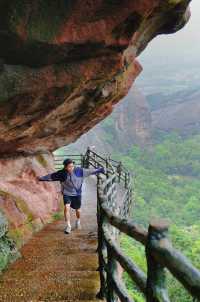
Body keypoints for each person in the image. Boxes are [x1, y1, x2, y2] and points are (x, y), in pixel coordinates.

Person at [37, 158, 105, 234]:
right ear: (65, 167)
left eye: (72, 166)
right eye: (69, 167)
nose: (71, 168)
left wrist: (100, 170)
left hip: (77, 194)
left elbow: (90, 171)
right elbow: (51, 176)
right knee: (66, 207)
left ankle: (78, 220)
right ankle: (68, 226)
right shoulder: (62, 173)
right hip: (67, 193)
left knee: (78, 210)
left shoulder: (79, 171)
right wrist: (41, 178)